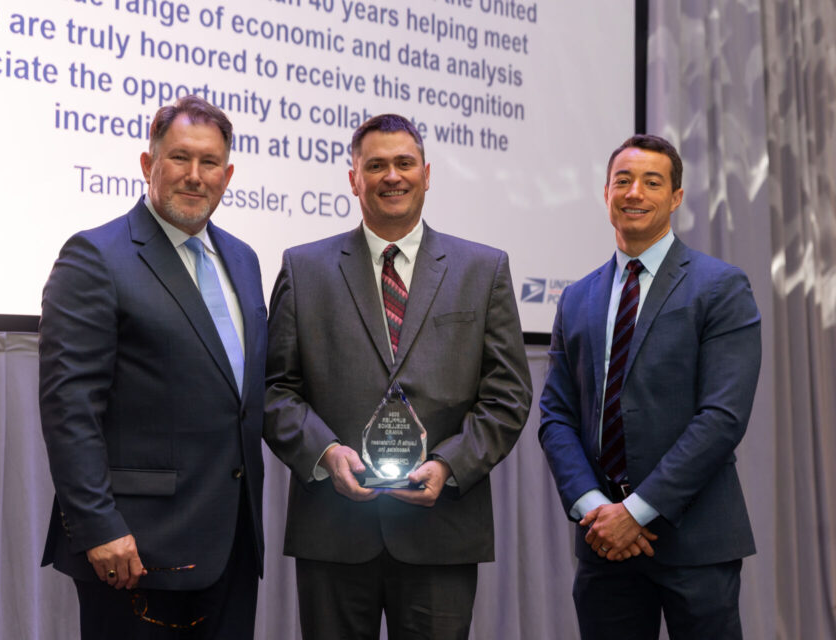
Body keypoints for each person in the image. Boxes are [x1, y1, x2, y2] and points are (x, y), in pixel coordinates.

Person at [264, 113, 532, 639]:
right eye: (377, 165)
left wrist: (450, 464)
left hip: (443, 529)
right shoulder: (304, 269)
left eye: (404, 163)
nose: (392, 176)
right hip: (334, 531)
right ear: (353, 179)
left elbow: (507, 394)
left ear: (427, 173)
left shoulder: (484, 269)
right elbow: (277, 391)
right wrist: (325, 454)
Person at [38, 95, 266, 639]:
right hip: (135, 550)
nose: (195, 175)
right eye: (179, 158)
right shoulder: (96, 257)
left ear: (228, 174)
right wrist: (98, 526)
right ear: (148, 164)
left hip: (231, 543)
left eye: (209, 162)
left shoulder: (244, 259)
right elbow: (70, 409)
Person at [538, 134, 761, 639]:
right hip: (603, 545)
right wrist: (596, 509)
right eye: (623, 180)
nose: (634, 192)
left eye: (652, 182)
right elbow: (556, 418)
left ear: (676, 197)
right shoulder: (576, 298)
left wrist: (636, 512)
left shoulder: (720, 286)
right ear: (606, 193)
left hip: (696, 540)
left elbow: (722, 418)